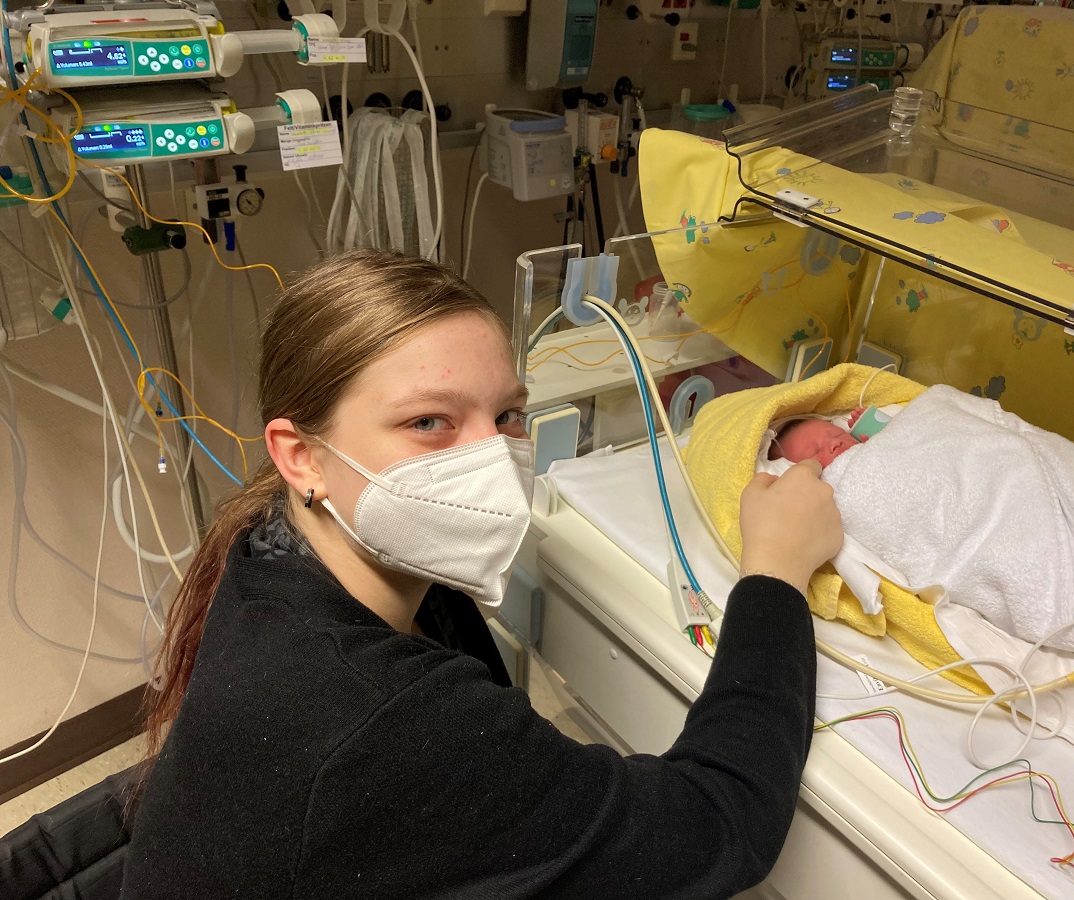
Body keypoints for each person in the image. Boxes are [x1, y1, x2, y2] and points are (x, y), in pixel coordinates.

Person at [120, 250, 844, 899]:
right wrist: (776, 572)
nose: (492, 461)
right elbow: (719, 824)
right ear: (301, 456)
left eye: (507, 416)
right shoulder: (378, 719)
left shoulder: (272, 554)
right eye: (429, 422)